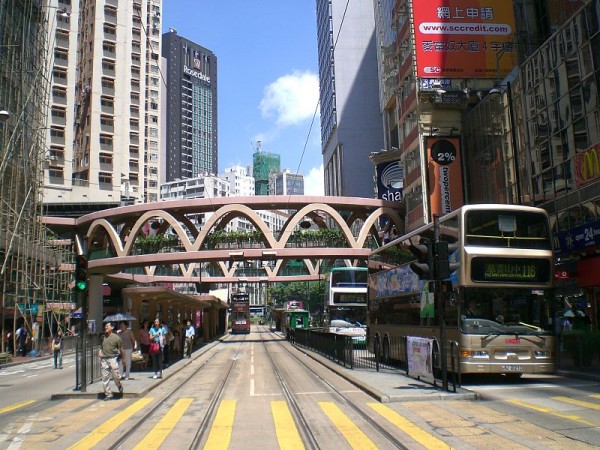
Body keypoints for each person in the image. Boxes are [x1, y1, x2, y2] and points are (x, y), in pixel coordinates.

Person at [98, 322, 124, 400]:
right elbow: (101, 347)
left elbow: (121, 349)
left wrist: (124, 359)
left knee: (116, 376)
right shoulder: (103, 337)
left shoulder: (117, 338)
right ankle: (108, 394)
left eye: (107, 326)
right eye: (105, 326)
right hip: (104, 359)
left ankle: (119, 385)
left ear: (112, 328)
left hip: (113, 359)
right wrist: (100, 352)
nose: (106, 327)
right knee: (105, 378)